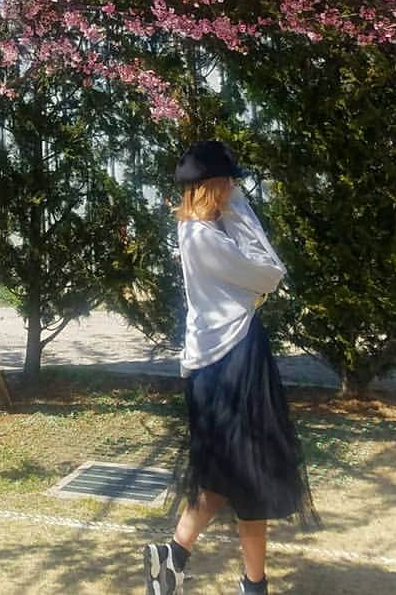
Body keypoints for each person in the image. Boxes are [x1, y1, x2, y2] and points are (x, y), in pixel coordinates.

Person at [143, 139, 317, 595]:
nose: (235, 191)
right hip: (236, 362)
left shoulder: (195, 231)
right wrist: (238, 210)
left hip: (214, 366)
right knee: (250, 473)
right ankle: (253, 586)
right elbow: (269, 272)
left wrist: (230, 209)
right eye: (229, 184)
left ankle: (174, 557)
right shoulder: (206, 238)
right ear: (216, 187)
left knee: (223, 473)